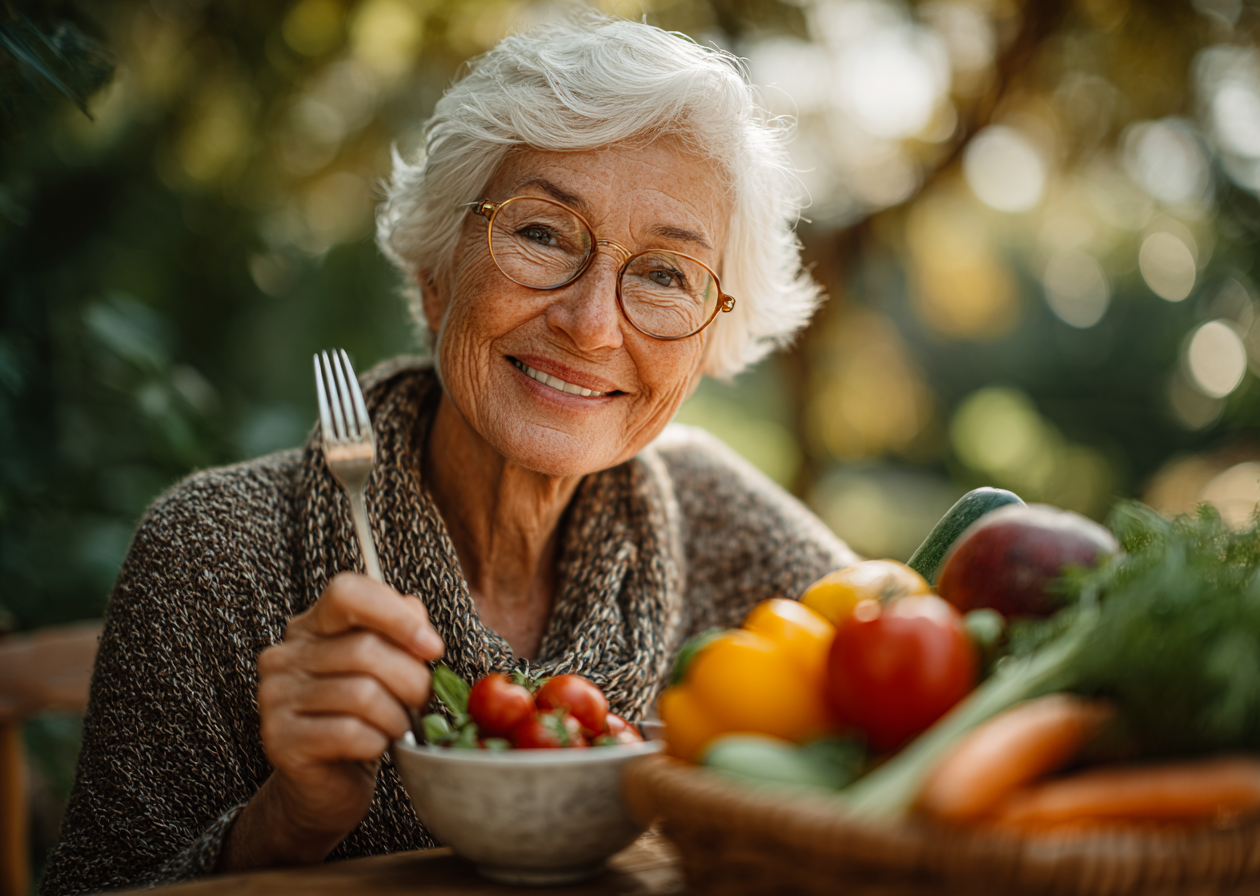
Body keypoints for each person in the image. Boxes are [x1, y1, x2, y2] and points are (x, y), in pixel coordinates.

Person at [41, 13, 858, 894]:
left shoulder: (722, 521)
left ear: (706, 349)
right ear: (436, 276)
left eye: (665, 275)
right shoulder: (212, 553)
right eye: (542, 233)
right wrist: (287, 823)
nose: (589, 325)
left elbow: (942, 710)